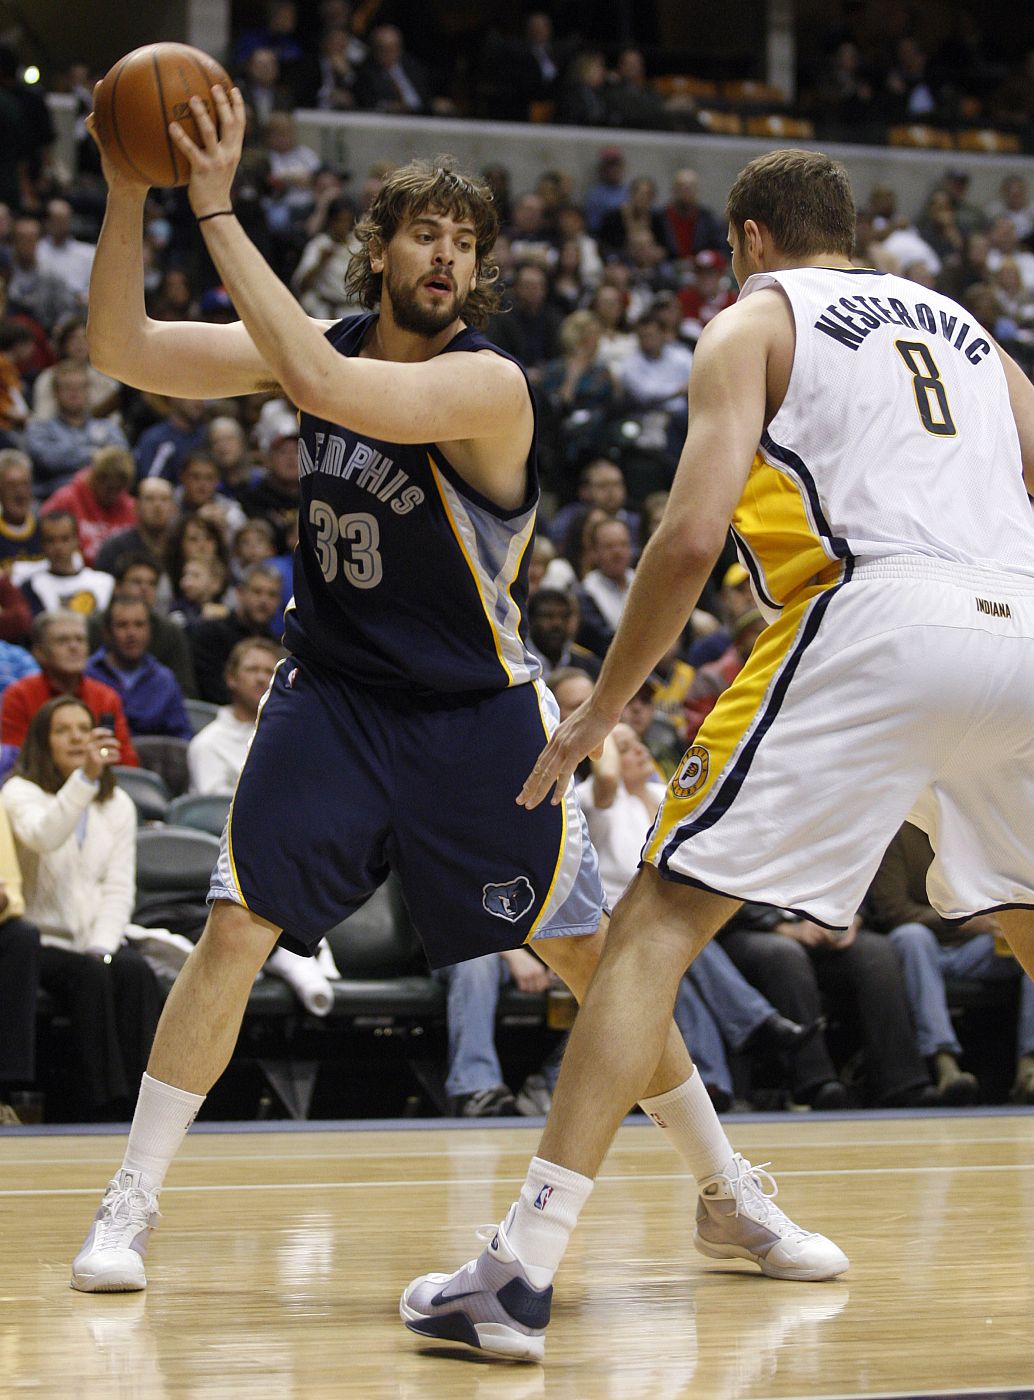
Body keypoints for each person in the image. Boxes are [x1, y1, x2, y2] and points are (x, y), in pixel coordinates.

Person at [71, 101, 834, 1296]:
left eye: (465, 243)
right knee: (234, 928)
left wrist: (210, 203)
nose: (446, 257)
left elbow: (322, 379)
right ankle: (129, 1202)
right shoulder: (316, 337)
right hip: (329, 700)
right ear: (378, 250)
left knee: (588, 952)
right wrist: (128, 186)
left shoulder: (490, 386)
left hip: (474, 716)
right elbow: (118, 344)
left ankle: (725, 1191)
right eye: (423, 233)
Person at [405, 147, 1034, 1358]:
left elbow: (692, 531)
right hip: (1020, 621)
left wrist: (604, 704)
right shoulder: (965, 327)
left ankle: (519, 1270)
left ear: (747, 237)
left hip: (874, 614)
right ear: (846, 232)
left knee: (653, 922)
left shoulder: (752, 320)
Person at [3, 697, 161, 1119]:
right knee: (89, 974)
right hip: (40, 940)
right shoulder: (20, 793)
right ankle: (99, 1107)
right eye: (63, 730)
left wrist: (103, 945)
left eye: (83, 728)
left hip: (93, 939)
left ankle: (143, 1107)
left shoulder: (118, 804)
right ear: (42, 741)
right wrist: (84, 779)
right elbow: (44, 835)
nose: (76, 737)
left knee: (133, 971)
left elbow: (118, 889)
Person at [867, 822, 1034, 1104]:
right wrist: (963, 921)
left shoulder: (977, 830)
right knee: (913, 938)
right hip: (922, 951)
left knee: (1029, 941)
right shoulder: (897, 833)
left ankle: (1029, 1068)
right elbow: (893, 910)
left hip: (975, 951)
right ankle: (946, 1065)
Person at [1, 610, 138, 765]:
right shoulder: (19, 695)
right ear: (39, 652)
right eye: (62, 640)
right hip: (37, 785)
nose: (73, 647)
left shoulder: (106, 696)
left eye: (80, 640)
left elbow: (125, 760)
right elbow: (14, 762)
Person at [84, 595, 193, 741]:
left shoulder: (164, 680)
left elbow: (182, 737)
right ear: (107, 632)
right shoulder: (86, 674)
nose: (131, 634)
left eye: (139, 625)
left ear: (150, 631)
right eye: (122, 625)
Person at [187, 637, 283, 793]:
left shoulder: (287, 737)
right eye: (252, 669)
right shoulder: (208, 744)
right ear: (231, 678)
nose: (261, 678)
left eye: (269, 672)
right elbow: (216, 809)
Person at [40, 446, 137, 568]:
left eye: (118, 489)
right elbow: (44, 534)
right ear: (95, 479)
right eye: (109, 488)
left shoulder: (130, 507)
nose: (113, 495)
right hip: (75, 574)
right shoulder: (66, 500)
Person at [18, 512, 115, 618]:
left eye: (65, 539)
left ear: (76, 540)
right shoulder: (32, 587)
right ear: (42, 544)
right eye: (51, 540)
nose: (58, 547)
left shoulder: (105, 583)